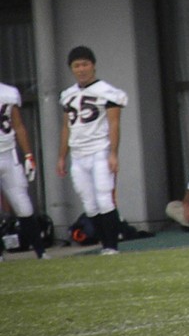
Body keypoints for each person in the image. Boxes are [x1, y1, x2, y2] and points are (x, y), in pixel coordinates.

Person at [57, 46, 127, 256]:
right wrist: (62, 156)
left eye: (85, 64)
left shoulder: (108, 91)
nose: (81, 69)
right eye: (76, 65)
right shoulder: (67, 95)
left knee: (104, 198)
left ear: (93, 65)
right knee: (89, 204)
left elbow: (114, 124)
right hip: (78, 154)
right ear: (71, 68)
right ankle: (104, 244)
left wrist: (113, 153)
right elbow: (66, 127)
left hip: (100, 150)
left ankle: (112, 246)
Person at [0, 82, 48, 261]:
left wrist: (28, 155)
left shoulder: (8, 92)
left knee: (23, 205)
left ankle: (41, 252)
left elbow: (18, 125)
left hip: (8, 154)